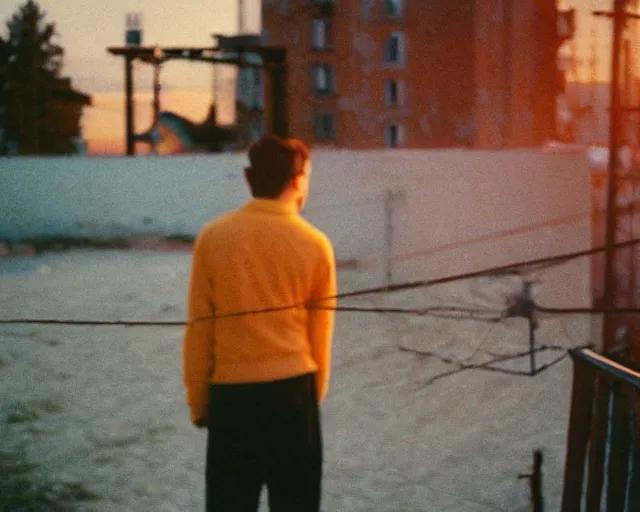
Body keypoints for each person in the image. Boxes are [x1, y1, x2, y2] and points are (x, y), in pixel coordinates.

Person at [183, 135, 337, 512]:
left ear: (249, 178)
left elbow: (200, 329)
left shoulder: (213, 238)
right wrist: (310, 397)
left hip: (232, 400)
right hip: (293, 394)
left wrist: (200, 402)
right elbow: (321, 336)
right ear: (298, 180)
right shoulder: (316, 245)